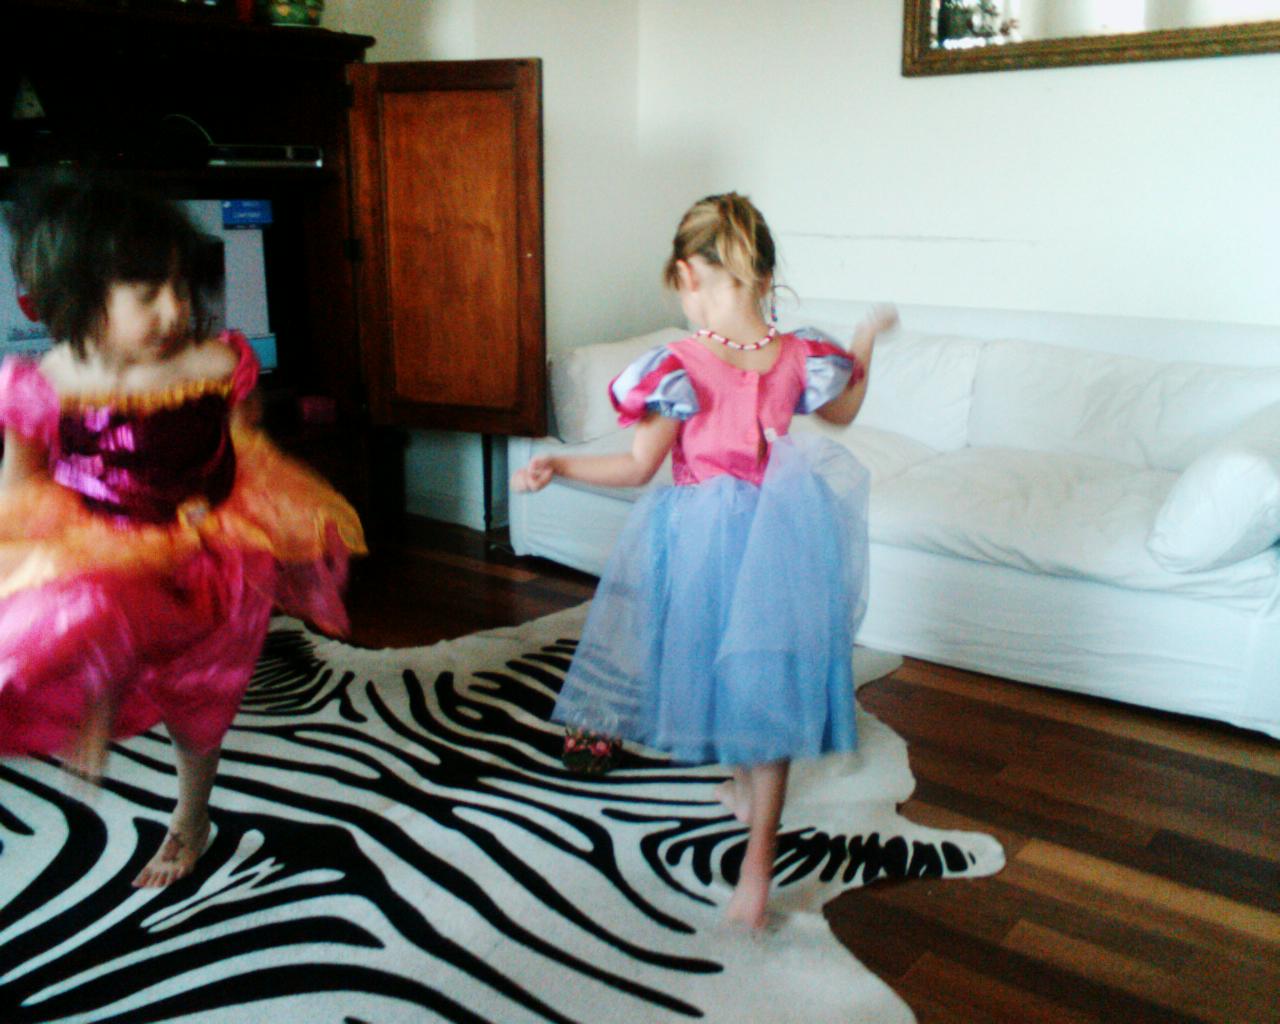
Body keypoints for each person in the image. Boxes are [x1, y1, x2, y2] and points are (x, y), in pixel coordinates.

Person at [512, 192, 897, 930]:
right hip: (785, 539)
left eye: (681, 289)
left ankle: (755, 856)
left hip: (702, 543)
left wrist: (558, 464)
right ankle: (754, 837)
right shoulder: (799, 353)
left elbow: (634, 469)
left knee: (721, 666)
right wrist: (864, 342)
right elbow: (845, 412)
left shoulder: (679, 364)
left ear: (690, 273)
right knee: (766, 681)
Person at [0, 174, 366, 887]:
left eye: (181, 287)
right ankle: (91, 701)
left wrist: (221, 497)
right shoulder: (46, 381)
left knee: (202, 695)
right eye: (146, 293)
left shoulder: (216, 360)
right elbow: (19, 484)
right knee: (75, 622)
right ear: (78, 298)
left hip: (208, 550)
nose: (174, 310)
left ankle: (189, 814)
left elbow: (240, 439)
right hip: (102, 549)